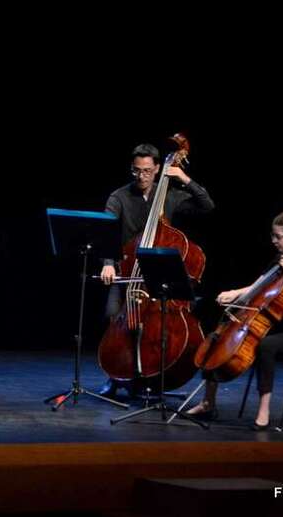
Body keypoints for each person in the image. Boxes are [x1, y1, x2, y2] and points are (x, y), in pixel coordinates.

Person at [185, 211, 283, 430]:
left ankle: (264, 411)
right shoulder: (279, 261)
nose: (273, 240)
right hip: (275, 325)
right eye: (272, 235)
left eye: (278, 236)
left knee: (266, 346)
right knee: (218, 335)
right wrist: (234, 293)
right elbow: (257, 286)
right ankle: (208, 402)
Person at [99, 143, 214, 397]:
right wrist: (107, 264)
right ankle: (116, 376)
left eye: (147, 171)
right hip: (127, 270)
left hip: (159, 272)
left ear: (158, 169)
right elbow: (107, 232)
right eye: (137, 170)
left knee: (157, 326)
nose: (142, 176)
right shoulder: (119, 197)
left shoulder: (170, 195)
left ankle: (150, 376)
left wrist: (183, 178)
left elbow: (207, 206)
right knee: (112, 315)